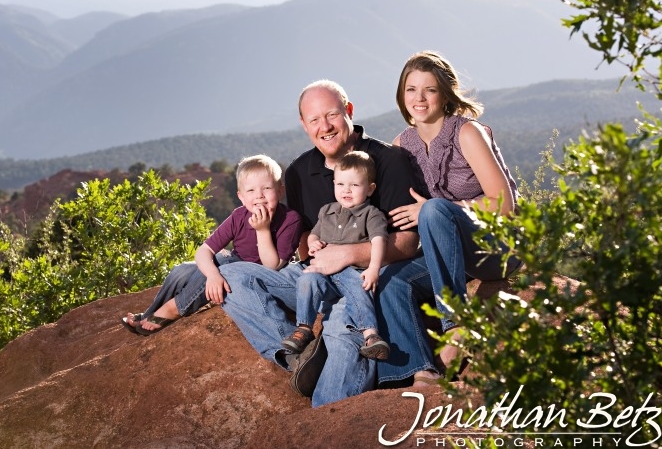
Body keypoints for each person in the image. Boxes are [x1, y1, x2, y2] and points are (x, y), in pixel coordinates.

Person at [216, 80, 422, 407]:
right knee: (231, 278)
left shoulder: (388, 161)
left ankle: (326, 420)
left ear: (349, 112)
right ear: (303, 124)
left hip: (367, 277)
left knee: (342, 325)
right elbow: (301, 237)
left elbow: (410, 242)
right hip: (315, 274)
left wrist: (350, 254)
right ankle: (300, 356)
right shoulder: (299, 171)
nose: (324, 127)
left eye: (332, 115)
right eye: (314, 120)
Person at [388, 50, 522, 384]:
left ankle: (456, 324)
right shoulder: (400, 146)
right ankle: (419, 369)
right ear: (401, 96)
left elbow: (504, 205)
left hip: (494, 247)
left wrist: (440, 211)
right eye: (411, 90)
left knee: (433, 209)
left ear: (445, 95)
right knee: (392, 280)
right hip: (448, 254)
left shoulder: (467, 133)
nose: (419, 98)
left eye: (429, 90)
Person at [121, 154, 303, 335]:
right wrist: (213, 275)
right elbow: (204, 251)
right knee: (183, 270)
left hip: (262, 276)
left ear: (280, 191)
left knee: (222, 263)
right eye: (251, 191)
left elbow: (272, 266)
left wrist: (262, 230)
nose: (259, 196)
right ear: (241, 196)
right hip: (234, 261)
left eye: (267, 188)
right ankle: (150, 312)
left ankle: (173, 309)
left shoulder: (290, 219)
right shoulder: (239, 216)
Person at [281, 151, 390, 360]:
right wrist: (313, 244)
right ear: (333, 184)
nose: (346, 190)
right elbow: (314, 233)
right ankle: (304, 328)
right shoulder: (327, 211)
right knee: (307, 278)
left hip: (350, 270)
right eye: (340, 184)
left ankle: (371, 335)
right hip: (323, 272)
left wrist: (374, 269)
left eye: (354, 185)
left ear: (370, 188)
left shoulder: (371, 214)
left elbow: (378, 241)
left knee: (361, 286)